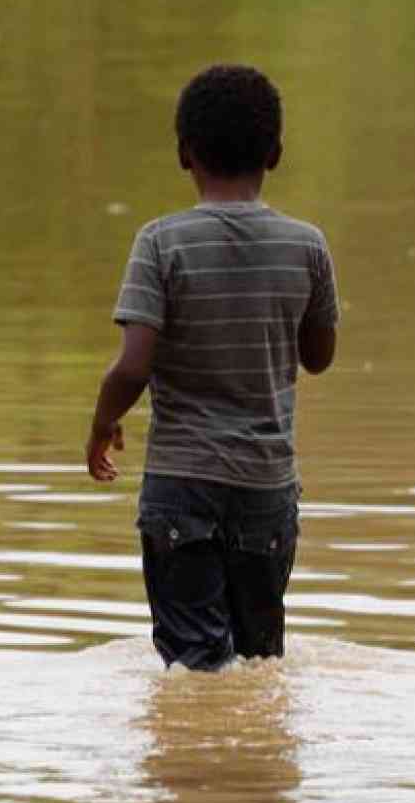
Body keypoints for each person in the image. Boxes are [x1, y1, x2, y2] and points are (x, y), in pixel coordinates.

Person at [85, 64, 340, 671]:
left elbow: (134, 365)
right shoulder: (306, 246)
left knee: (194, 669)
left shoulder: (160, 243)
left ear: (184, 153)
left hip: (182, 486)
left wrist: (101, 423)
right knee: (259, 664)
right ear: (275, 153)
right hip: (265, 489)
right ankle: (254, 765)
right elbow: (319, 357)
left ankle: (196, 766)